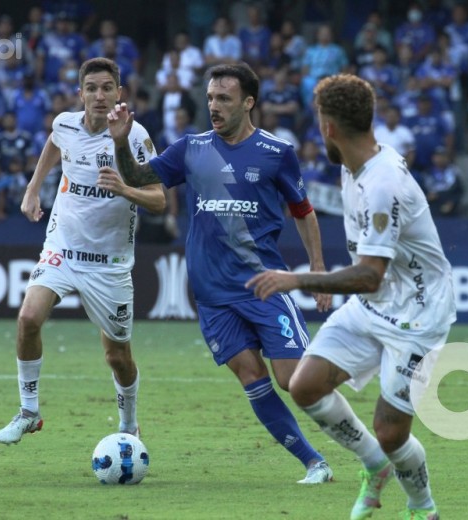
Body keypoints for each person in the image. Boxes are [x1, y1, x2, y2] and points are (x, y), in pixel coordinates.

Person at [105, 62, 334, 484]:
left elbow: (303, 211)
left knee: (293, 380)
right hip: (212, 296)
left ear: (248, 103)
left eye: (224, 98)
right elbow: (139, 176)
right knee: (252, 377)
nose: (214, 105)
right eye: (210, 98)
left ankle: (361, 439)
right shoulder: (190, 148)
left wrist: (317, 268)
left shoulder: (276, 153)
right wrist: (121, 144)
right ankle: (314, 462)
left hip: (264, 286)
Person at [247, 74, 455, 520]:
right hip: (375, 306)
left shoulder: (383, 184)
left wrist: (298, 279)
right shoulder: (352, 164)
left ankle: (423, 507)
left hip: (418, 315)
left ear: (328, 127)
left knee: (391, 430)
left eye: (318, 120)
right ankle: (374, 466)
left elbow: (369, 276)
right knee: (305, 385)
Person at [0, 57, 165, 445]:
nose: (99, 96)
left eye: (107, 88)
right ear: (81, 93)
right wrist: (34, 187)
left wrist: (124, 189)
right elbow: (54, 144)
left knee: (117, 356)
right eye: (92, 88)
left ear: (119, 93)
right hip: (63, 247)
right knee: (28, 318)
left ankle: (128, 424)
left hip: (110, 263)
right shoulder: (65, 123)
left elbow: (159, 201)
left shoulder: (135, 136)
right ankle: (29, 411)